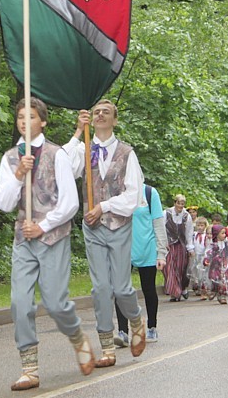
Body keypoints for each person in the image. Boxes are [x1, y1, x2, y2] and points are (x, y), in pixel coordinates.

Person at [0, 97, 94, 390]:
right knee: (20, 302)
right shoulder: (11, 158)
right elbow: (3, 203)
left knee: (55, 303)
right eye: (20, 118)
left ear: (43, 121)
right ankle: (29, 368)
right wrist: (18, 175)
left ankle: (77, 336)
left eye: (30, 117)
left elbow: (70, 203)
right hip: (23, 238)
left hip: (53, 237)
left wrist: (43, 226)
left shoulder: (57, 154)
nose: (24, 122)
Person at [65, 99, 146, 368]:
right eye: (96, 112)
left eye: (106, 112)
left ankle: (135, 320)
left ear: (115, 119)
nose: (100, 115)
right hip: (93, 229)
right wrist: (78, 132)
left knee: (122, 288)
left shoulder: (127, 153)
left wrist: (104, 206)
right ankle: (107, 347)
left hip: (119, 226)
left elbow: (133, 196)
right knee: (100, 288)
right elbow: (63, 168)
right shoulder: (85, 148)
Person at [114, 184, 168, 347]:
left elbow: (158, 224)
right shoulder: (118, 192)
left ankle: (152, 327)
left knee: (149, 289)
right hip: (124, 249)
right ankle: (123, 332)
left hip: (147, 249)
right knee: (120, 291)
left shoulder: (150, 193)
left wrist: (161, 253)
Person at [163, 194, 194, 301]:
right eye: (179, 203)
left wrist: (190, 248)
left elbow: (189, 232)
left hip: (181, 245)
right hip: (169, 245)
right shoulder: (166, 213)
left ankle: (182, 288)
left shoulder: (186, 216)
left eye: (182, 204)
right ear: (174, 203)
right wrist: (162, 242)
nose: (180, 206)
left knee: (181, 268)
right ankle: (175, 292)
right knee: (168, 267)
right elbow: (161, 228)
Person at [205, 224, 228, 304]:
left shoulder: (226, 243)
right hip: (216, 266)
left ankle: (222, 296)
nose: (224, 235)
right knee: (215, 280)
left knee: (224, 281)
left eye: (225, 233)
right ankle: (215, 291)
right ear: (216, 234)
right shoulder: (213, 245)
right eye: (222, 233)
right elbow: (208, 252)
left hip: (225, 265)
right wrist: (206, 259)